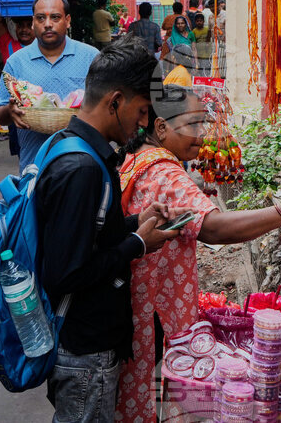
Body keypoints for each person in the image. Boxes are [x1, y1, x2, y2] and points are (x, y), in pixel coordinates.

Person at [115, 85, 281, 422]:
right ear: (160, 128)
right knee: (150, 399)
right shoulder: (165, 173)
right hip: (153, 315)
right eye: (193, 125)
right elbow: (213, 227)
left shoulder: (136, 160)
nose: (202, 136)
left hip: (131, 307)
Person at [38, 36, 180, 422]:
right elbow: (67, 271)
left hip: (84, 342)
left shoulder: (68, 144)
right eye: (141, 109)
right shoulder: (82, 169)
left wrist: (136, 221)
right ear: (115, 101)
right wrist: (136, 243)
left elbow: (89, 233)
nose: (144, 122)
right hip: (84, 348)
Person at [0, 0, 99, 172]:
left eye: (55, 17)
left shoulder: (91, 57)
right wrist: (10, 112)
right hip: (34, 166)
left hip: (84, 165)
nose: (48, 24)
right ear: (34, 22)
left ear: (67, 20)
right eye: (41, 18)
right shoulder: (16, 61)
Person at [0, 0, 35, 155]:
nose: (24, 29)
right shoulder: (9, 46)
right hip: (16, 107)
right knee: (22, 151)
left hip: (38, 107)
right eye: (19, 25)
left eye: (28, 25)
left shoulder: (44, 46)